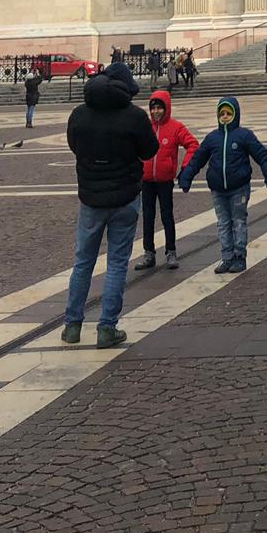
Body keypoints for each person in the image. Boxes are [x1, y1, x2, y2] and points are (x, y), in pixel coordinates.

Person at [62, 65, 158, 347]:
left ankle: (72, 325)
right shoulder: (135, 116)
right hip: (125, 198)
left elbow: (74, 145)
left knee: (83, 262)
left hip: (91, 197)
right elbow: (150, 150)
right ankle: (107, 328)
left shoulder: (79, 114)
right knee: (117, 263)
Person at [178, 97, 267, 274]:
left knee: (238, 221)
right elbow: (197, 159)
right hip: (218, 189)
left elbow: (261, 155)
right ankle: (226, 257)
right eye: (222, 113)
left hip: (238, 187)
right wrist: (186, 177)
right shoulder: (212, 138)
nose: (225, 116)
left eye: (228, 113)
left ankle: (239, 256)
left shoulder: (243, 135)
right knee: (223, 223)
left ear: (235, 115)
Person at [134, 89, 198, 271]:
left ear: (166, 108)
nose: (155, 112)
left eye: (159, 108)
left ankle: (171, 251)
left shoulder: (175, 127)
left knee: (167, 216)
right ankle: (149, 253)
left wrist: (185, 167)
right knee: (147, 216)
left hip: (164, 180)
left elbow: (193, 144)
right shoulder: (146, 127)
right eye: (153, 108)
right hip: (146, 180)